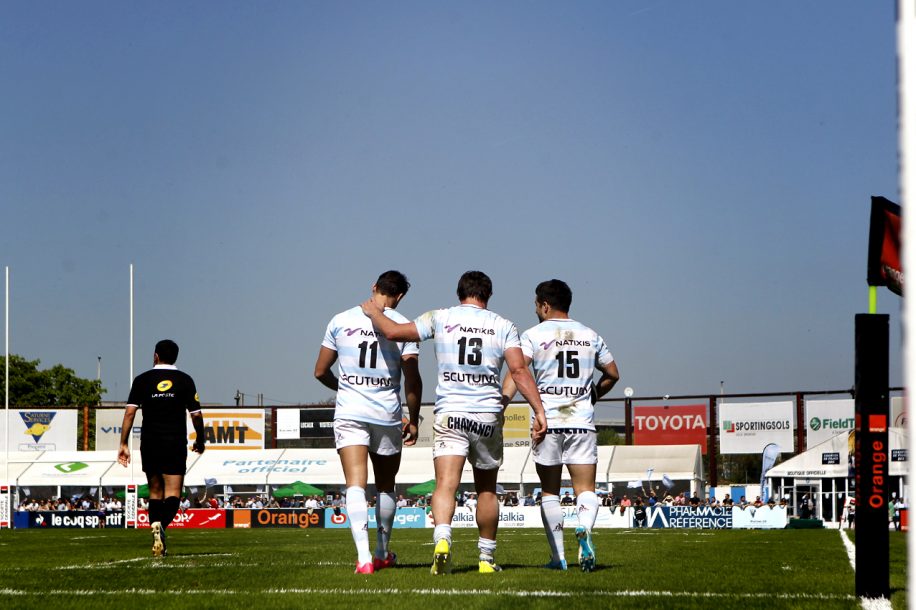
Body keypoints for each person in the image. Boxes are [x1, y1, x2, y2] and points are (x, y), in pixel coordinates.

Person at [362, 270, 547, 574]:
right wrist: (538, 410)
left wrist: (373, 312)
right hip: (486, 415)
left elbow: (395, 333)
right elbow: (518, 371)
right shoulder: (504, 325)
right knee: (487, 489)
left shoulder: (440, 317)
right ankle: (486, 559)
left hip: (450, 413)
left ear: (459, 292)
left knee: (446, 485)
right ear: (488, 295)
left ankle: (443, 540)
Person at [501, 279, 619, 573]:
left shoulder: (532, 335)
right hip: (581, 422)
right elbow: (613, 373)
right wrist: (593, 395)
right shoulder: (590, 334)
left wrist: (501, 404)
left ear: (544, 305)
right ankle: (584, 528)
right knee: (586, 489)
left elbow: (518, 371)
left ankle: (559, 558)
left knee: (550, 491)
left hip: (547, 422)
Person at [315, 270, 423, 575]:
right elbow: (413, 381)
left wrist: (345, 388)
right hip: (387, 415)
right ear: (400, 296)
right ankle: (381, 551)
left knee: (355, 485)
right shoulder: (405, 325)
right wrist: (413, 420)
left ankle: (363, 559)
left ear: (374, 287)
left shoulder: (339, 320)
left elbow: (321, 371)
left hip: (350, 412)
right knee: (386, 486)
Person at [118, 339, 205, 557]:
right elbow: (196, 415)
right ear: (175, 357)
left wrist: (123, 444)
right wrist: (200, 440)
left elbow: (130, 413)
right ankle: (161, 527)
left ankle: (156, 524)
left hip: (150, 441)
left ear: (155, 355)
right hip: (174, 442)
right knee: (174, 492)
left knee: (155, 492)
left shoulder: (142, 380)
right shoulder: (185, 380)